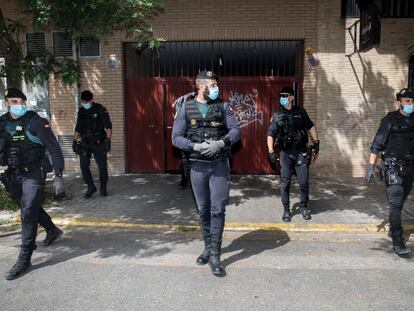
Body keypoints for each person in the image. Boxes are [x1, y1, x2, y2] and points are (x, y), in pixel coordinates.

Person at [172, 70, 241, 277]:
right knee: (203, 210)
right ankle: (208, 247)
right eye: (212, 85)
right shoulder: (186, 107)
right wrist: (196, 146)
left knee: (217, 209)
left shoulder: (223, 106)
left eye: (216, 85)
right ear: (201, 86)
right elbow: (176, 138)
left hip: (219, 166)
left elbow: (237, 131)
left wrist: (220, 143)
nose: (216, 89)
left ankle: (215, 256)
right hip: (197, 167)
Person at [0, 88, 65, 280]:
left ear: (24, 102)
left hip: (33, 173)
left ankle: (25, 257)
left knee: (27, 212)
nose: (17, 105)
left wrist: (59, 176)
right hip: (12, 175)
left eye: (20, 101)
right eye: (13, 101)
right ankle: (52, 230)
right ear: (6, 102)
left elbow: (53, 148)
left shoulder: (36, 122)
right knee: (30, 207)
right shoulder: (2, 122)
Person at [366, 88, 414, 255]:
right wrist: (371, 166)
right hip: (393, 167)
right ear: (398, 102)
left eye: (412, 101)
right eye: (406, 101)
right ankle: (397, 239)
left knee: (400, 203)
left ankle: (394, 227)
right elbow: (377, 143)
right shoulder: (390, 119)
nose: (410, 104)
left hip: (410, 168)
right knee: (396, 202)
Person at [267, 86, 319, 222]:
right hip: (286, 154)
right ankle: (286, 209)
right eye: (281, 95)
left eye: (285, 95)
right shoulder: (277, 115)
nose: (282, 97)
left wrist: (316, 141)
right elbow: (270, 134)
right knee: (285, 182)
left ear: (291, 97)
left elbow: (311, 126)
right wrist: (271, 151)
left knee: (303, 181)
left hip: (300, 152)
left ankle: (303, 206)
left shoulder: (300, 112)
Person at [73, 90, 112, 198]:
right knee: (83, 166)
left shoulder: (100, 109)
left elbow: (108, 126)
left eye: (87, 101)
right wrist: (75, 140)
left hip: (99, 142)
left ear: (91, 100)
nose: (85, 103)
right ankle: (91, 187)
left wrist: (108, 140)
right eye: (83, 101)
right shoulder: (81, 111)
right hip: (85, 142)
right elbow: (78, 127)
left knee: (102, 166)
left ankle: (103, 187)